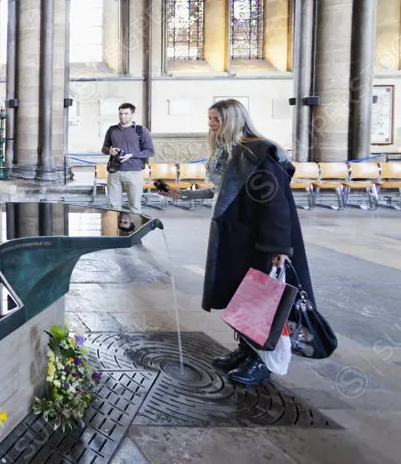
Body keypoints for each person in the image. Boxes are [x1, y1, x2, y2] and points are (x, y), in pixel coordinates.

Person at [159, 99, 315, 386]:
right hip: (233, 238)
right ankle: (246, 349)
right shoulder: (226, 151)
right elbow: (220, 192)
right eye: (209, 118)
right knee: (241, 296)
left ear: (232, 119)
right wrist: (180, 195)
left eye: (216, 119)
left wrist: (278, 247)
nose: (210, 124)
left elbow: (275, 203)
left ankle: (261, 362)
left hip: (257, 239)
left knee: (260, 301)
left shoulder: (258, 152)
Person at [101, 103, 154, 214]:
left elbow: (150, 151)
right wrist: (109, 151)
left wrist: (132, 155)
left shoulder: (141, 131)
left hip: (133, 173)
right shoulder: (112, 130)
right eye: (120, 113)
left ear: (133, 114)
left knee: (134, 207)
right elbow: (104, 148)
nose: (122, 116)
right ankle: (115, 231)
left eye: (126, 113)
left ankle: (134, 230)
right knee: (113, 207)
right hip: (114, 172)